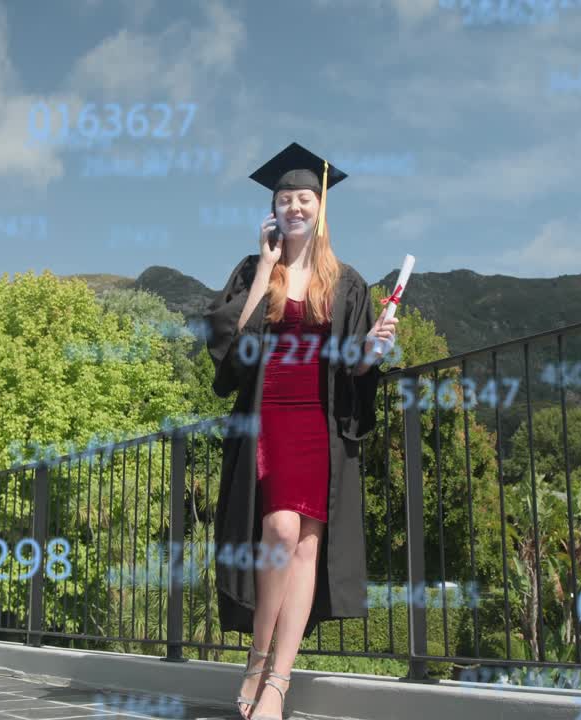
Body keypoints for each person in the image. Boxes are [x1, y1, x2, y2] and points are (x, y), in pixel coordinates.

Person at [203, 142, 399, 720]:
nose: (294, 205)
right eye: (284, 198)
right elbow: (230, 346)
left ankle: (278, 682)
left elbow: (355, 368)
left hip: (320, 422)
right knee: (280, 530)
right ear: (273, 209)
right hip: (268, 416)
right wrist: (266, 268)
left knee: (307, 545)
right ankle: (256, 660)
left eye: (304, 197)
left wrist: (374, 350)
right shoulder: (253, 270)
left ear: (320, 206)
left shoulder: (346, 281)